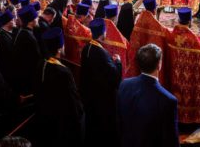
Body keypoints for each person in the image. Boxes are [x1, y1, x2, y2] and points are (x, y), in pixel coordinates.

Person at [117, 43, 179, 147]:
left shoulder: (124, 84)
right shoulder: (168, 100)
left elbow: (119, 122)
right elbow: (171, 140)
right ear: (159, 65)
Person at [34, 28, 84, 147]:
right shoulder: (63, 71)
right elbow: (72, 101)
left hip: (46, 117)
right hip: (62, 121)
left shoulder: (41, 63)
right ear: (59, 48)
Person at [166, 7, 200, 128]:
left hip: (175, 77)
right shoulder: (193, 40)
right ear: (190, 21)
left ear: (178, 19)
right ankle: (192, 118)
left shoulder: (171, 36)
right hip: (190, 80)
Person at [80, 18, 122, 147]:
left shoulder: (86, 48)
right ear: (102, 34)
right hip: (103, 100)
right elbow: (115, 77)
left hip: (90, 96)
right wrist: (118, 62)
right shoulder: (102, 53)